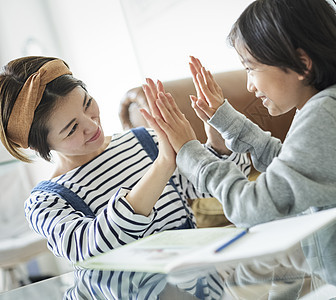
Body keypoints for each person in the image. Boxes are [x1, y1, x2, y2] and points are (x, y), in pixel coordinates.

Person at [144, 0, 336, 298]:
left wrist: (190, 151)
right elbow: (291, 164)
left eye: (250, 68)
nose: (250, 85)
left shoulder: (324, 116)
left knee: (247, 259)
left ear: (302, 64)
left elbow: (251, 209)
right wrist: (224, 119)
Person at [0, 56, 250, 263]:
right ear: (38, 145)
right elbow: (94, 245)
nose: (92, 124)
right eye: (72, 128)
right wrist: (162, 165)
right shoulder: (45, 202)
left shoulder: (145, 141)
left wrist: (216, 123)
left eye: (87, 104)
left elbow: (218, 183)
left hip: (198, 282)